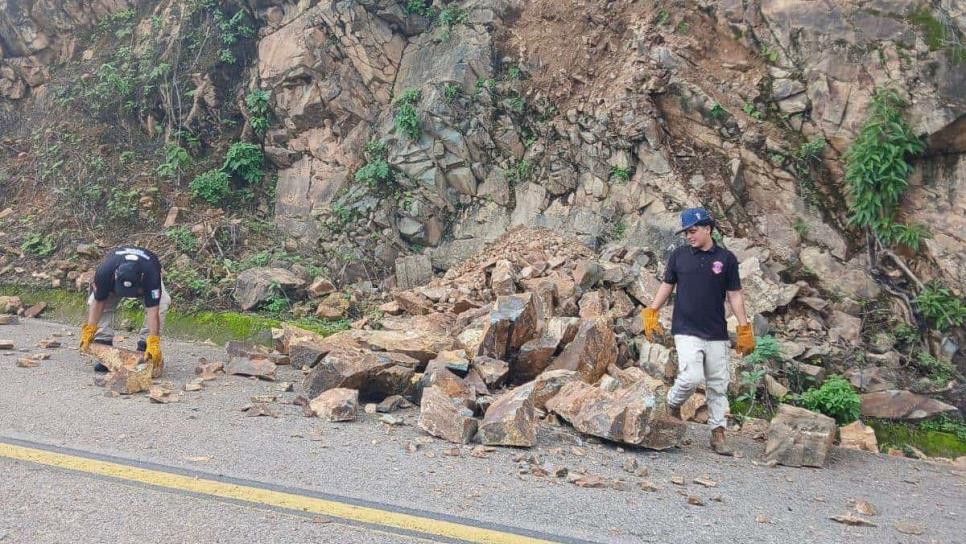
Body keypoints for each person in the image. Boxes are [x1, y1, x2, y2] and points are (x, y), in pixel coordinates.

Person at [641, 208, 755, 455]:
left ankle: (718, 433)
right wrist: (651, 312)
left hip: (716, 332)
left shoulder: (726, 259)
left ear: (707, 229)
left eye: (693, 231)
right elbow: (667, 285)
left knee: (718, 384)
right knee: (691, 377)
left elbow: (734, 294)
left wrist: (744, 327)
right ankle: (672, 404)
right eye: (686, 233)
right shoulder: (679, 256)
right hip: (686, 329)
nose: (689, 236)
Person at [78, 246, 169, 374]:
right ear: (115, 276)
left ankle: (144, 349)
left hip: (146, 273)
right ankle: (103, 345)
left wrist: (153, 341)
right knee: (99, 301)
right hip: (112, 276)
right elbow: (98, 302)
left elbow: (153, 311)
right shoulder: (104, 272)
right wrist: (89, 330)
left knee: (163, 302)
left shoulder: (151, 275)